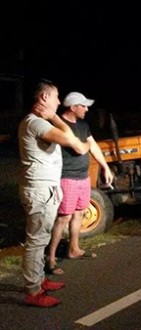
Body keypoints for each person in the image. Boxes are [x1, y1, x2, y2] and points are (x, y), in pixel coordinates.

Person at [18, 80, 90, 307]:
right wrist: (54, 118)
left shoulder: (40, 122)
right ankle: (33, 291)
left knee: (40, 239)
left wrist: (53, 117)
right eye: (56, 96)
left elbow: (71, 138)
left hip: (45, 189)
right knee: (36, 241)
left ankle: (38, 281)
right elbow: (75, 143)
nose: (59, 101)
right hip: (39, 191)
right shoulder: (36, 124)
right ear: (44, 98)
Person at [46, 92, 114, 275]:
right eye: (83, 106)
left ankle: (73, 249)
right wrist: (84, 148)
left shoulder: (83, 125)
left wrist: (105, 167)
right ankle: (50, 258)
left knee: (79, 213)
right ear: (73, 107)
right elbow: (80, 148)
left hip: (83, 177)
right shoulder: (59, 125)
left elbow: (93, 146)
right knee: (64, 218)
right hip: (66, 177)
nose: (87, 109)